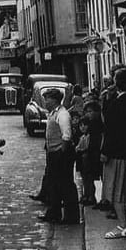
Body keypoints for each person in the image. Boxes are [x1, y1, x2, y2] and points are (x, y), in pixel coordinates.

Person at [100, 67, 126, 238]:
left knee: (117, 191)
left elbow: (110, 129)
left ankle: (123, 225)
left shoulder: (116, 103)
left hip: (117, 152)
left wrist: (105, 151)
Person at [37, 88, 80, 225]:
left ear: (54, 100)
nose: (45, 102)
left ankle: (71, 216)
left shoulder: (62, 114)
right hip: (53, 152)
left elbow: (66, 135)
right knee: (53, 184)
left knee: (65, 184)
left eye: (47, 99)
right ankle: (54, 213)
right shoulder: (53, 113)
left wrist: (62, 152)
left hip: (60, 154)